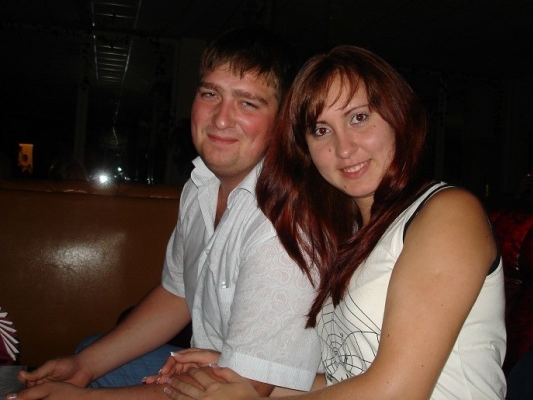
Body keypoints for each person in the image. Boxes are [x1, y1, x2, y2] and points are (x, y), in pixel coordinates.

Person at [157, 45, 507, 399]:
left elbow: (397, 391)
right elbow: (346, 382)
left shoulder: (449, 213)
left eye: (359, 118)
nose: (344, 148)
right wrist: (236, 375)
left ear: (398, 115)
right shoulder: (353, 237)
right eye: (322, 130)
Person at [10, 26, 321, 399]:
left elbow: (244, 386)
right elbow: (178, 294)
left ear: (283, 121)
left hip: (255, 390)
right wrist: (85, 366)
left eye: (248, 103)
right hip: (214, 371)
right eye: (210, 94)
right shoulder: (200, 186)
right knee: (87, 354)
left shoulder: (290, 221)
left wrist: (86, 398)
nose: (221, 119)